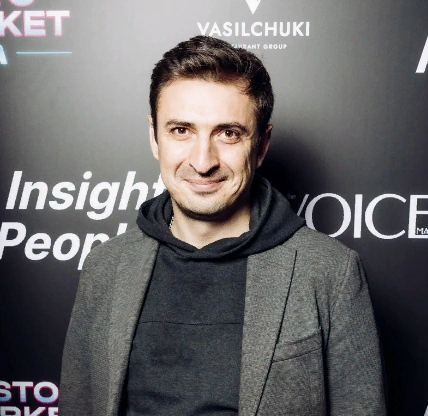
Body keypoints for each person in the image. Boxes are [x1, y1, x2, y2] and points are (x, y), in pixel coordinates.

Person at [59, 36, 386, 415]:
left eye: (228, 133)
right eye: (181, 130)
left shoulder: (330, 272)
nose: (203, 162)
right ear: (154, 137)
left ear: (261, 145)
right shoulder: (106, 266)